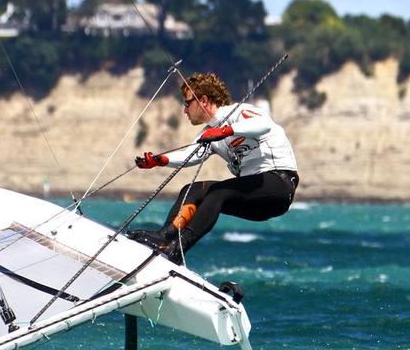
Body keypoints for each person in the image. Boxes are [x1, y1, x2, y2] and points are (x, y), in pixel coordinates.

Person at [128, 72, 299, 263]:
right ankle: (165, 237)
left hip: (279, 185)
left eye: (187, 103)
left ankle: (178, 249)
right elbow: (190, 155)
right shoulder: (209, 134)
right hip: (255, 200)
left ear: (203, 100)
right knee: (192, 190)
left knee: (218, 193)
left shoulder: (239, 113)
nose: (184, 110)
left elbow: (263, 125)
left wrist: (226, 131)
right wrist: (160, 160)